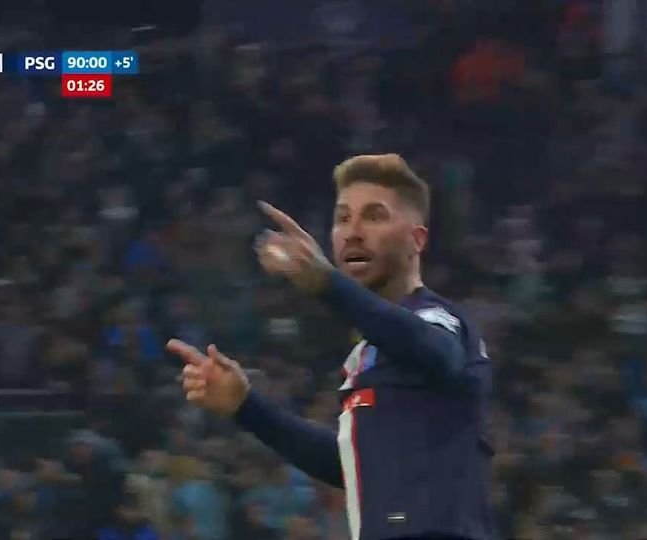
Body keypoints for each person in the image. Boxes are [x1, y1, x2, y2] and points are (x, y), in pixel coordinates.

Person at [169, 154, 496, 540]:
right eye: (343, 218)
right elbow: (353, 464)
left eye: (374, 216)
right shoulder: (366, 355)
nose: (353, 232)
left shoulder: (440, 319)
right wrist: (247, 408)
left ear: (416, 239)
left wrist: (327, 284)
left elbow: (436, 354)